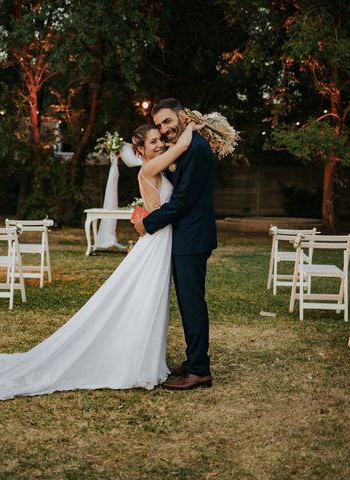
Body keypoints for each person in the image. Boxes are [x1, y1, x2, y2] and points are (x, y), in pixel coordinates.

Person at [0, 122, 203, 400]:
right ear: (140, 149)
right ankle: (135, 364)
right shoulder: (148, 168)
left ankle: (145, 359)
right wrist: (192, 125)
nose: (160, 144)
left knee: (152, 302)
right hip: (157, 243)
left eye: (161, 140)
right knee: (146, 300)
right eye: (154, 141)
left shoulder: (156, 165)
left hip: (161, 239)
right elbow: (181, 146)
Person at [134, 98, 217, 391]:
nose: (164, 129)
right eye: (158, 125)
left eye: (168, 121)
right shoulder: (186, 145)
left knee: (192, 303)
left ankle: (199, 370)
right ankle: (194, 358)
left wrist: (148, 223)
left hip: (191, 238)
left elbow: (182, 201)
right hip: (185, 237)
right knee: (187, 303)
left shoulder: (195, 148)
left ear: (182, 116)